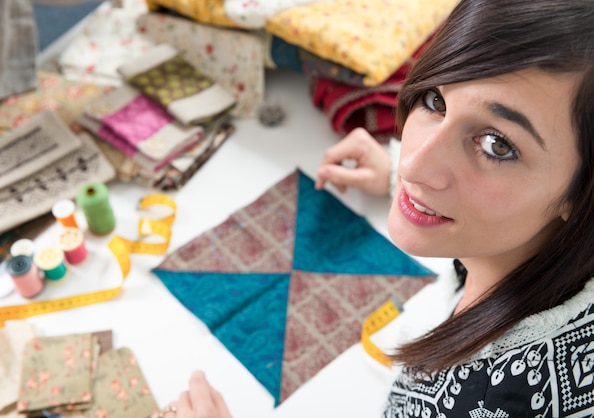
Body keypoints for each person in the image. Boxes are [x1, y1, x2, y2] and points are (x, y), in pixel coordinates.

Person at [155, 0, 594, 416]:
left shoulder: (483, 402)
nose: (415, 163)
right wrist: (393, 179)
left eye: (497, 145)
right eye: (436, 101)